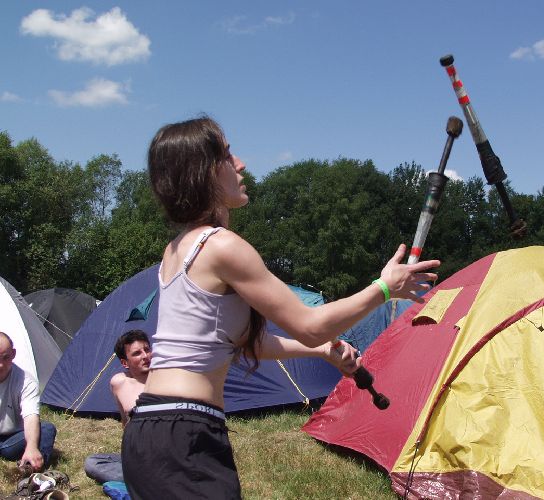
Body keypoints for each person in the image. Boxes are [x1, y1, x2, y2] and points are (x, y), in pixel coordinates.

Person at [121, 116, 440, 499]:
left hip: (151, 428)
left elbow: (244, 344)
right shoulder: (222, 246)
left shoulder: (177, 249)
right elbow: (310, 324)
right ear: (203, 171)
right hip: (184, 435)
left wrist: (320, 351)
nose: (241, 164)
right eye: (227, 155)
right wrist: (384, 288)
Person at [84, 330, 151, 484]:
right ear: (125, 363)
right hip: (138, 456)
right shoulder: (120, 383)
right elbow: (125, 423)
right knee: (93, 462)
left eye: (147, 350)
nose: (145, 356)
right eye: (137, 353)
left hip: (166, 452)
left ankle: (146, 481)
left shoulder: (165, 379)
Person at [0, 331, 56, 472]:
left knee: (47, 429)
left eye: (5, 358)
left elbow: (31, 415)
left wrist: (31, 446)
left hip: (11, 440)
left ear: (13, 354)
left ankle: (33, 470)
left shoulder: (26, 381)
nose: (0, 365)